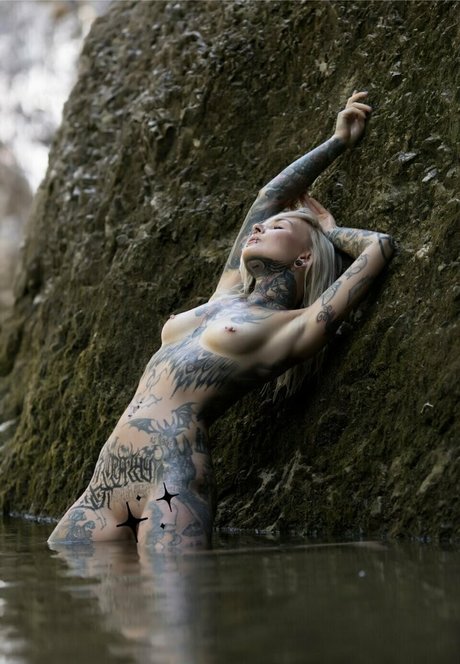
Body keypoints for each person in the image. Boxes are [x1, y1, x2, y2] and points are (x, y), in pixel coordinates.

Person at [48, 91, 395, 551]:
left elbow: (379, 247)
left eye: (278, 228)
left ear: (304, 258)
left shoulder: (295, 326)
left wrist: (330, 231)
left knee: (177, 597)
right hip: (106, 478)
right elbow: (269, 197)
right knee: (65, 584)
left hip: (172, 475)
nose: (260, 227)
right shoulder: (226, 293)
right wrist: (336, 143)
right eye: (263, 226)